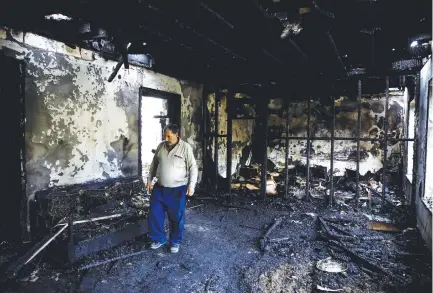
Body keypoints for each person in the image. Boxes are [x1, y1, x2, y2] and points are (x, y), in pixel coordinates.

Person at [146, 123, 198, 253]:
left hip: (177, 189)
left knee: (176, 217)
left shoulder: (185, 148)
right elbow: (154, 164)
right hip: (159, 188)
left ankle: (175, 242)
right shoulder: (161, 146)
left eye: (169, 136)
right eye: (165, 136)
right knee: (155, 213)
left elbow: (193, 167)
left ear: (177, 135)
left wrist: (191, 185)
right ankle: (159, 238)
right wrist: (149, 180)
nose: (166, 138)